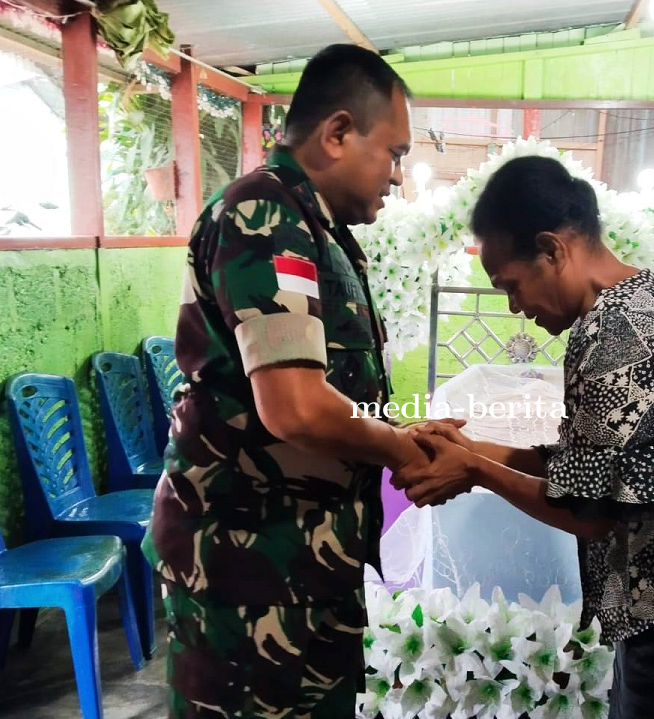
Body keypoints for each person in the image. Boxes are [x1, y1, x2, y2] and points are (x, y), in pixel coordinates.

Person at [396, 156, 654, 718]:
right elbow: (592, 468)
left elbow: (591, 511)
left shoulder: (619, 328)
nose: (515, 307)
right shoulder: (626, 303)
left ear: (552, 249)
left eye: (512, 285)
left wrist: (475, 470)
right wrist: (473, 448)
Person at [141, 44, 435, 719]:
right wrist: (401, 449)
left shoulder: (312, 227)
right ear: (337, 133)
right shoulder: (263, 217)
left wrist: (397, 430)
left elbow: (325, 392)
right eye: (393, 153)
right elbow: (296, 407)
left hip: (301, 561)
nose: (398, 175)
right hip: (248, 567)